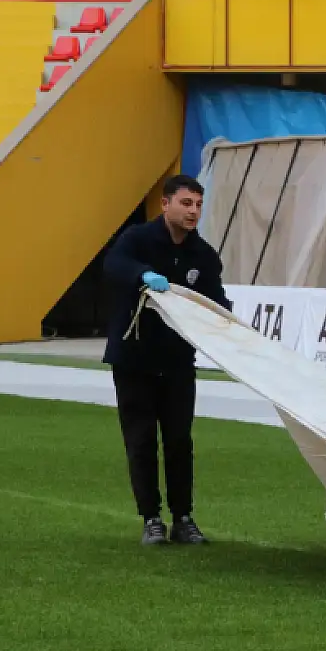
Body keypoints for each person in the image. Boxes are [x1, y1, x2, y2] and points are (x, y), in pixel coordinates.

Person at [104, 174, 231, 546]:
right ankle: (151, 520)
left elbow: (215, 300)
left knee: (179, 441)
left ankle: (183, 518)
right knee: (141, 440)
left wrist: (232, 323)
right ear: (166, 204)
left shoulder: (203, 256)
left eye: (198, 205)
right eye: (186, 203)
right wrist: (142, 275)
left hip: (176, 363)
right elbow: (114, 265)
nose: (193, 212)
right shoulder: (137, 240)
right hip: (134, 360)